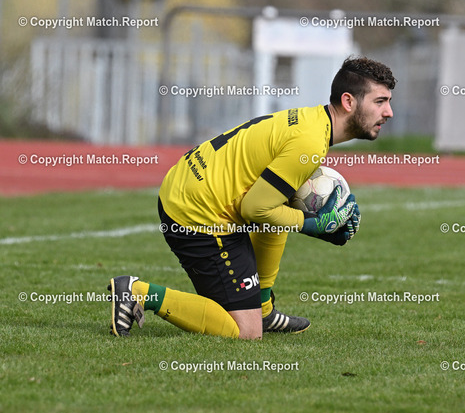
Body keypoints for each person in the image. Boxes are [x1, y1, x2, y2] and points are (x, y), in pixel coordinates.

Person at [108, 56, 396, 339]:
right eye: (380, 101)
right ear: (348, 102)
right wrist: (314, 225)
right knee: (246, 331)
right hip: (197, 213)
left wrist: (315, 224)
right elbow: (255, 209)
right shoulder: (310, 142)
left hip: (187, 183)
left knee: (282, 199)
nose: (389, 112)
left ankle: (264, 309)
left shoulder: (311, 120)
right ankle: (138, 292)